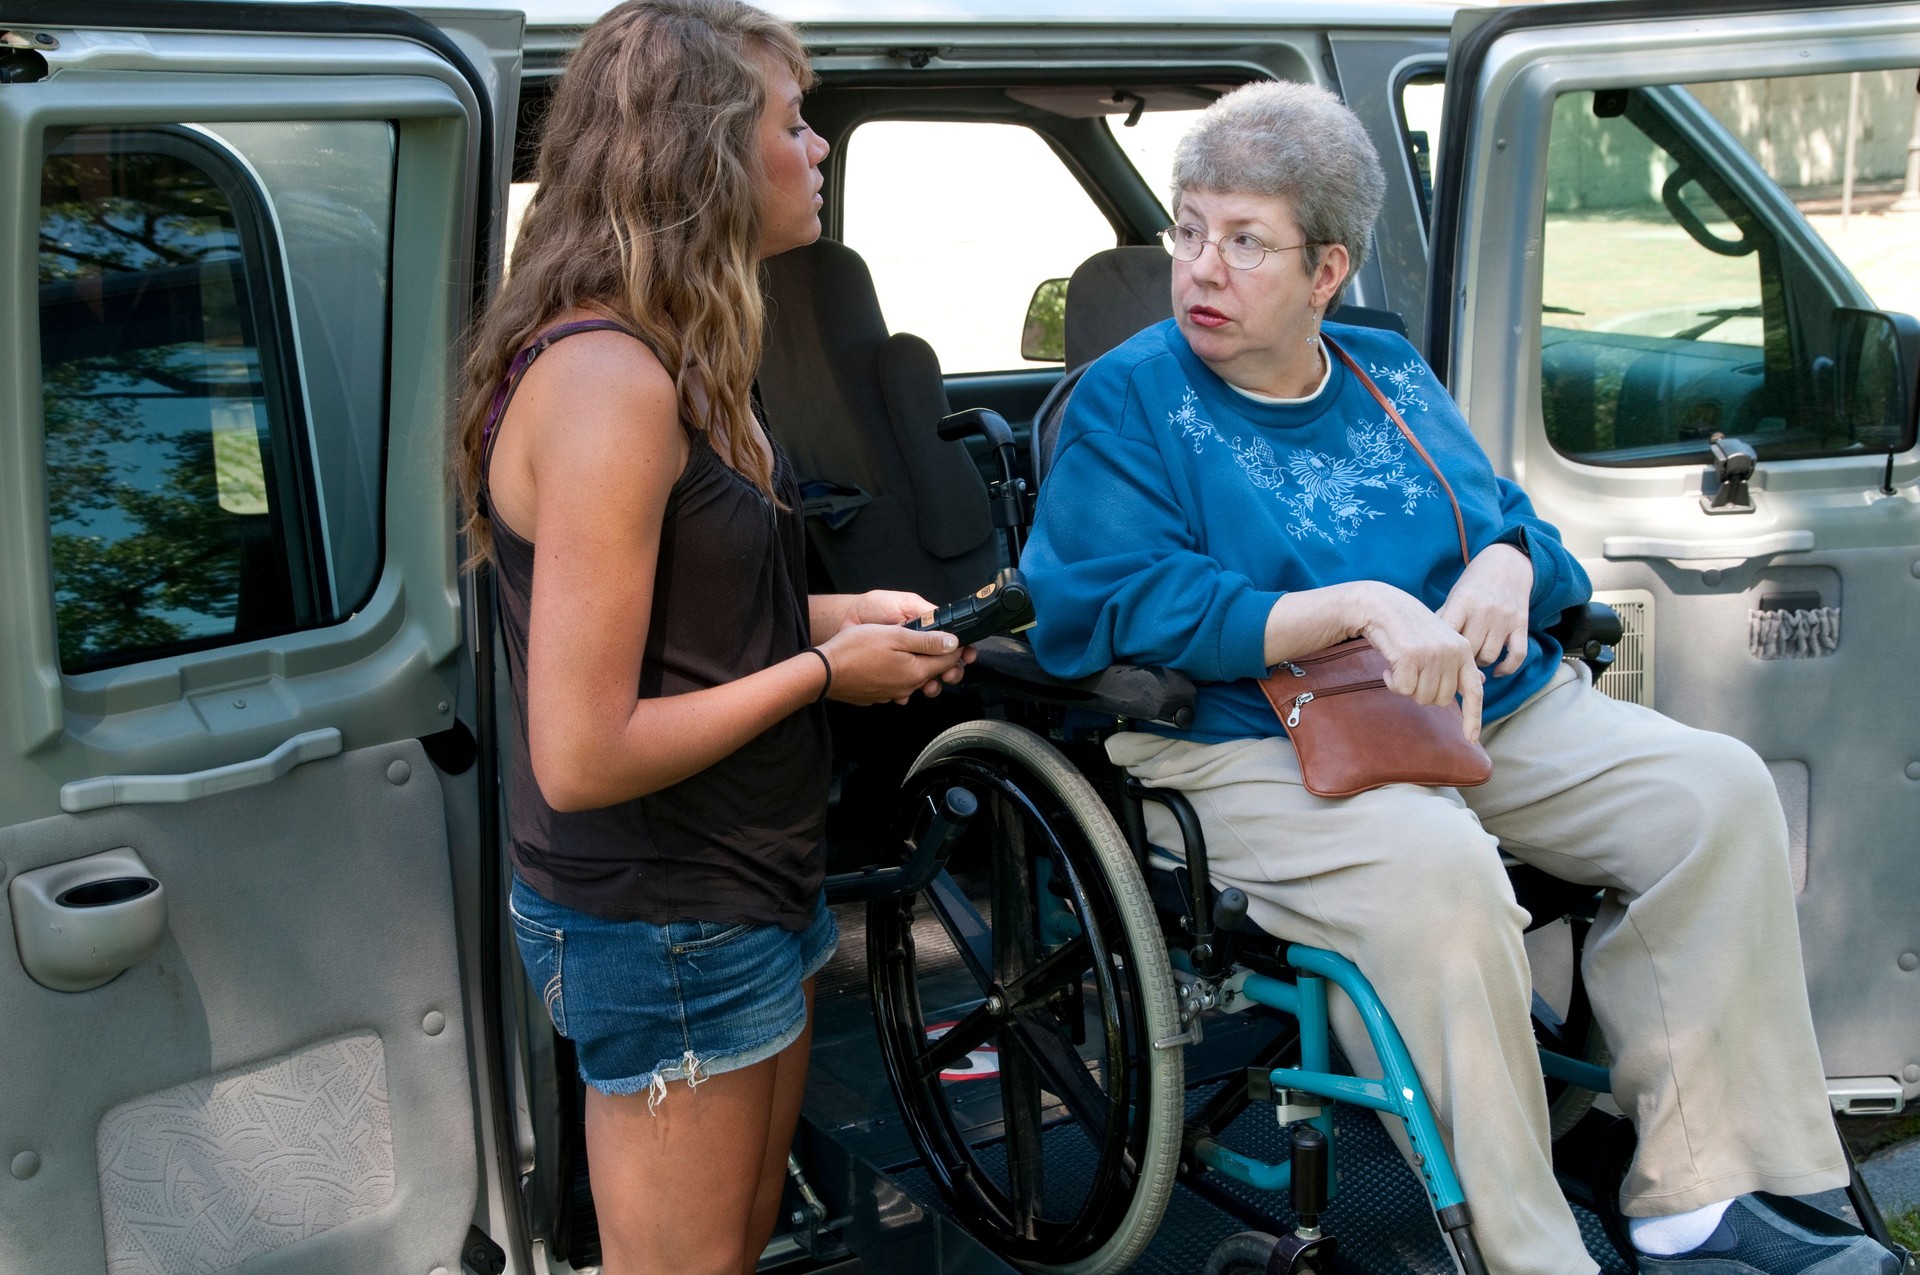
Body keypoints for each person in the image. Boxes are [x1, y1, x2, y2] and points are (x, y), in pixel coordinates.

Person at [1023, 80, 1899, 1275]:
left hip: (1469, 708)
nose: (1202, 270)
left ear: (1328, 270)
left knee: (1715, 793)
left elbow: (1518, 527)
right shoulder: (1130, 400)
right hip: (1247, 736)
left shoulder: (1386, 373)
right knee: (1438, 872)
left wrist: (1501, 564)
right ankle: (1530, 1249)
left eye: (1244, 241)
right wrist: (1344, 608)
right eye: (1188, 229)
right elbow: (1105, 600)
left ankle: (1698, 1193)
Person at [450, 4, 969, 1272]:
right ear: (703, 153)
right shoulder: (608, 384)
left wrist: (826, 618)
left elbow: (671, 619)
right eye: (792, 123)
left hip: (746, 886)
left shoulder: (683, 353)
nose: (819, 146)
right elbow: (582, 750)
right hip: (665, 913)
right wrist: (820, 673)